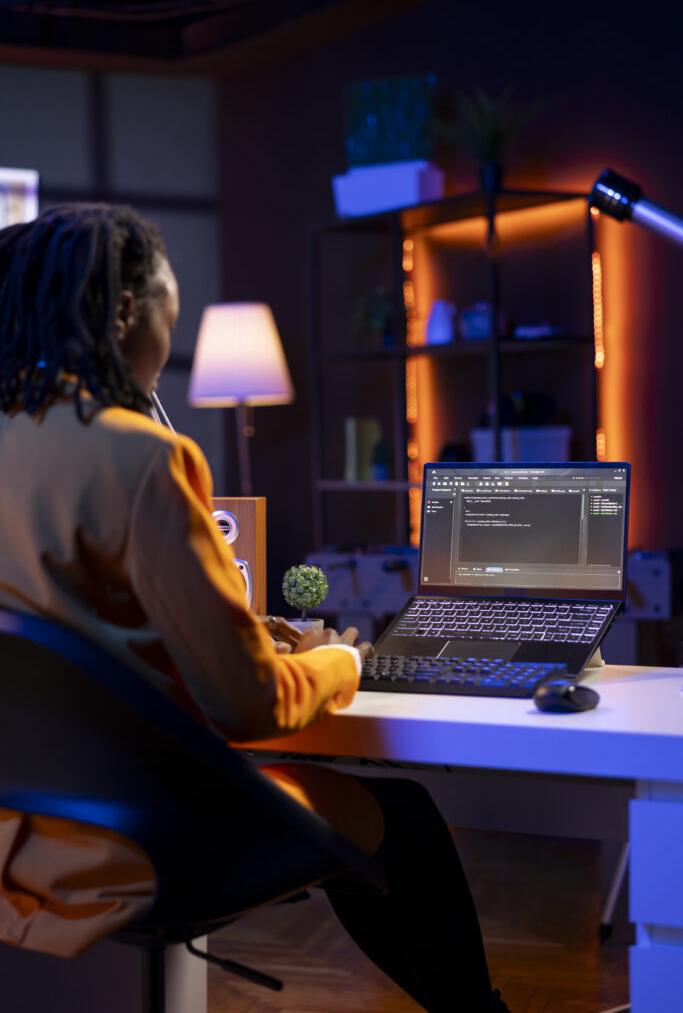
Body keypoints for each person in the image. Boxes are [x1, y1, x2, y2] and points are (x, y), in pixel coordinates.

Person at [0, 203, 510, 1012]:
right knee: (404, 815)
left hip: (22, 839)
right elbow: (248, 707)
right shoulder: (142, 455)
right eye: (169, 315)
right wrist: (338, 661)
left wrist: (229, 633)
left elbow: (61, 637)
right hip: (146, 840)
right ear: (127, 313)